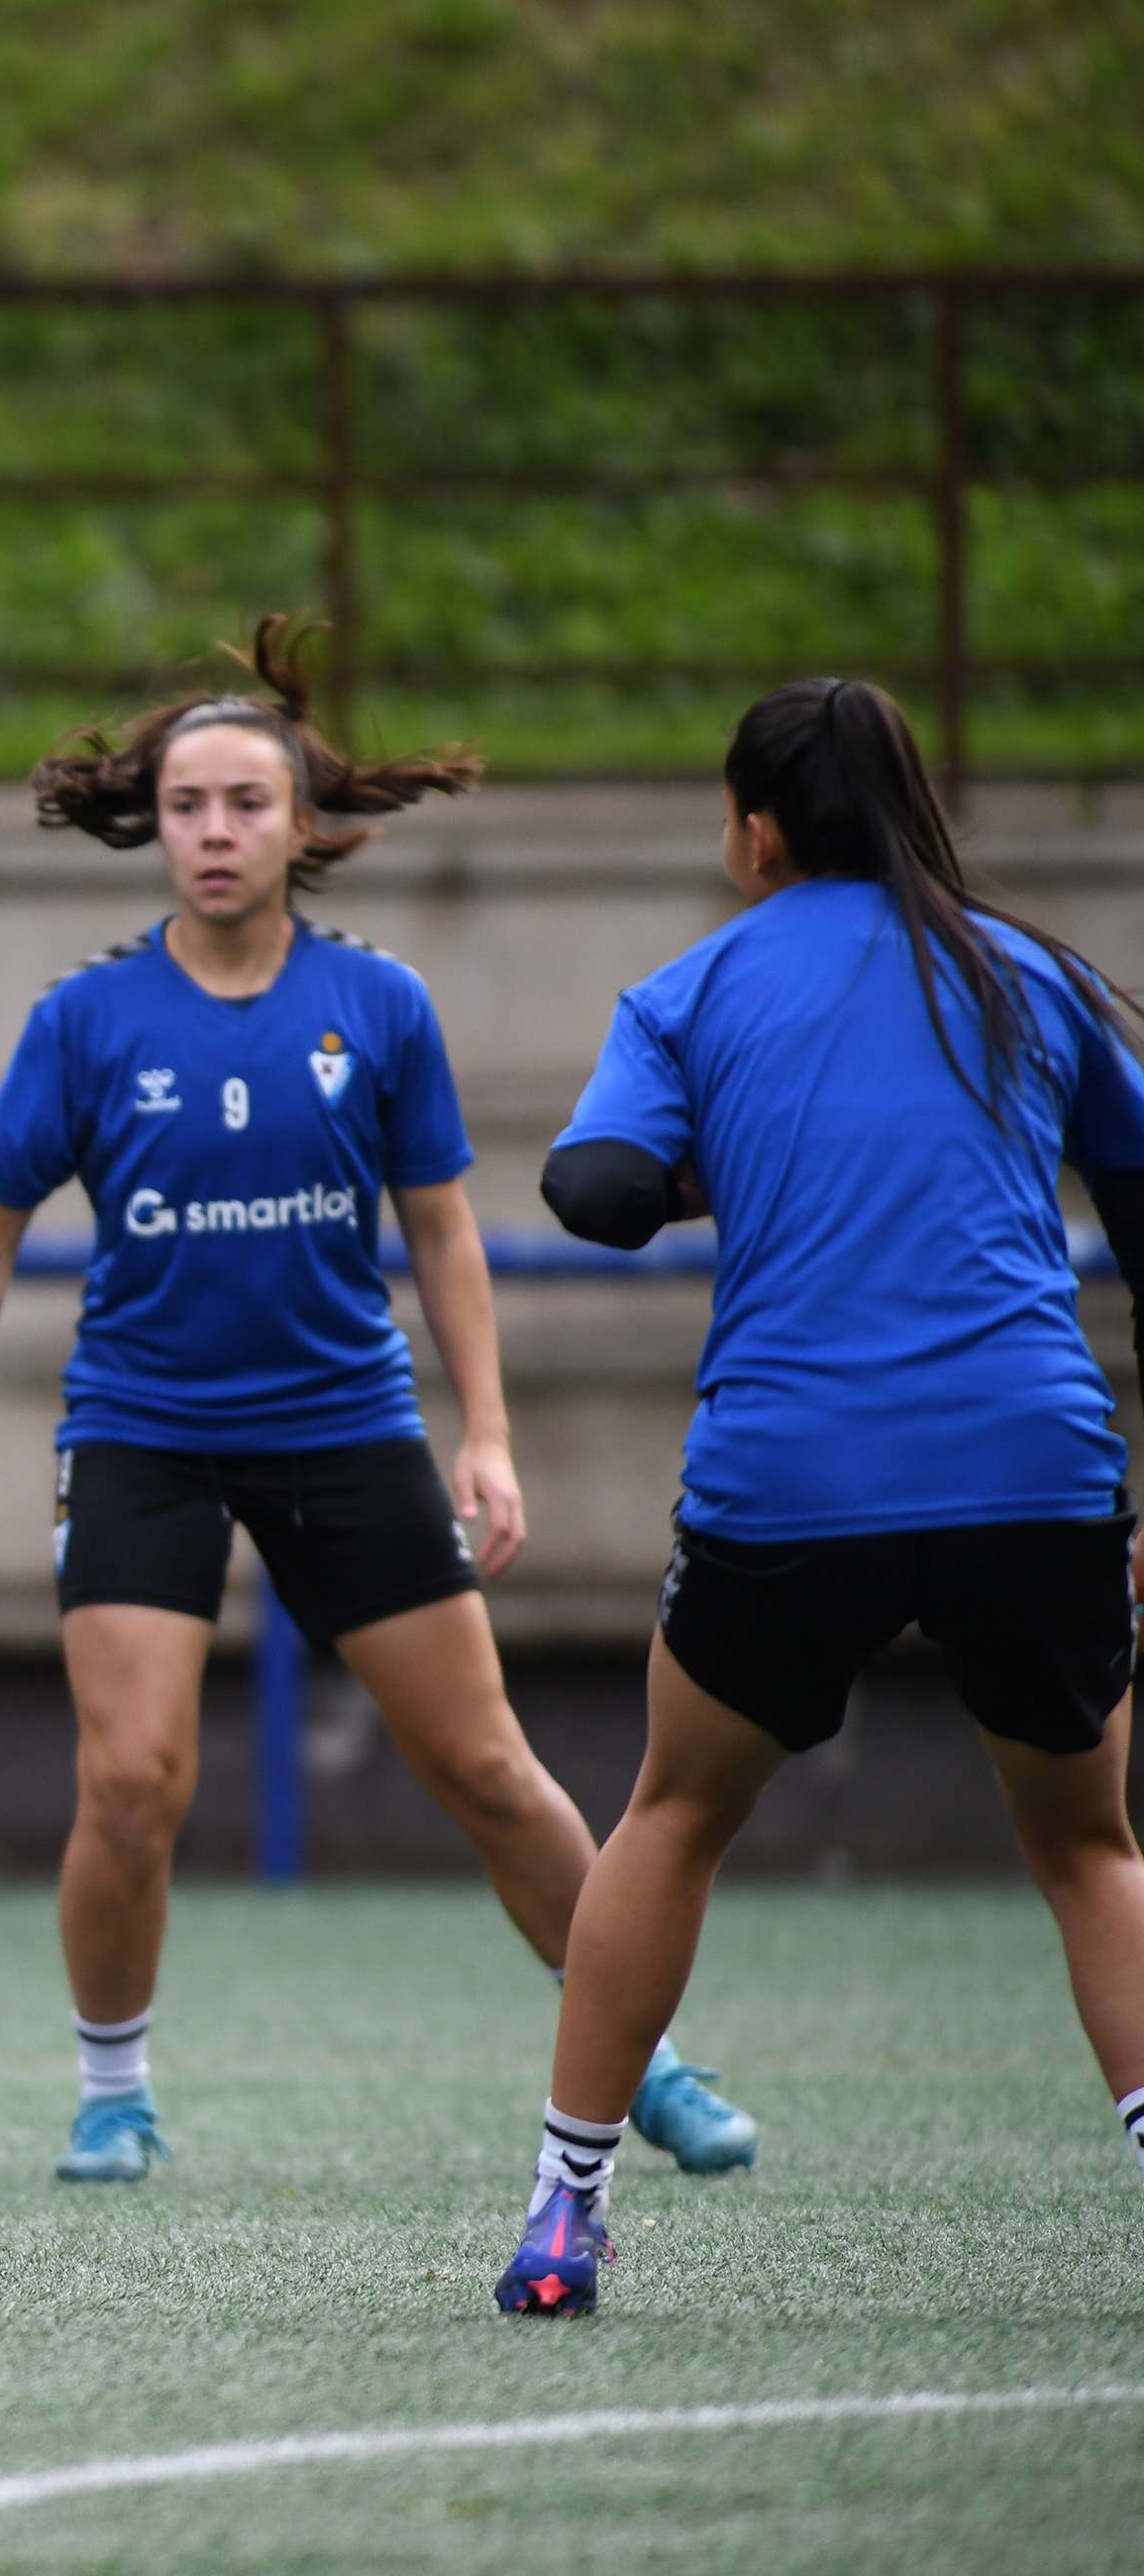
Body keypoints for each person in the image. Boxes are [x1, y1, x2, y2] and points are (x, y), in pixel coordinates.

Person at [0, 617, 756, 2186]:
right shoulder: (87, 1018)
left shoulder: (378, 1007)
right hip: (142, 1433)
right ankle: (115, 2089)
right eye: (188, 807)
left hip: (343, 1427)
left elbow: (443, 1230)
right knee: (130, 1777)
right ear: (154, 824)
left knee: (488, 1768)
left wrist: (489, 1434)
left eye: (248, 804)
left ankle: (640, 2059)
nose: (216, 833)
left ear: (304, 825)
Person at [495, 679, 1144, 2314]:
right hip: (1030, 1466)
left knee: (675, 1818)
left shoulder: (693, 988)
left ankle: (566, 2217)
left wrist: (719, 1163)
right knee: (1089, 1850)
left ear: (759, 831)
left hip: (793, 1480)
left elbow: (593, 1188)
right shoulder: (1036, 979)